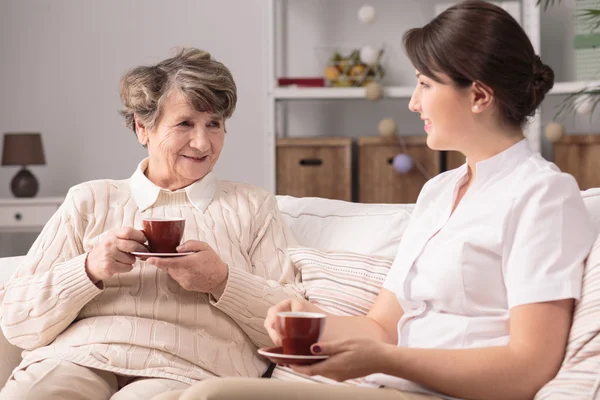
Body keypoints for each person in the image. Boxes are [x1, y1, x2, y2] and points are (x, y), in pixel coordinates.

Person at [153, 2, 596, 400]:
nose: (413, 102)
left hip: (440, 393)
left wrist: (384, 361)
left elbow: (530, 367)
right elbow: (381, 327)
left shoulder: (543, 197)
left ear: (479, 95)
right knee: (207, 395)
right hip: (390, 384)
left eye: (424, 84)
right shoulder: (440, 191)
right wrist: (308, 319)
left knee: (211, 399)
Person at [0, 48, 303, 400]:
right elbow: (17, 321)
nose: (203, 143)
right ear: (143, 127)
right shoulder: (89, 200)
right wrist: (88, 269)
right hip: (76, 358)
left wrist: (222, 280)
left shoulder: (253, 207)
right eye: (185, 123)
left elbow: (293, 327)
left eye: (214, 124)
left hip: (187, 372)